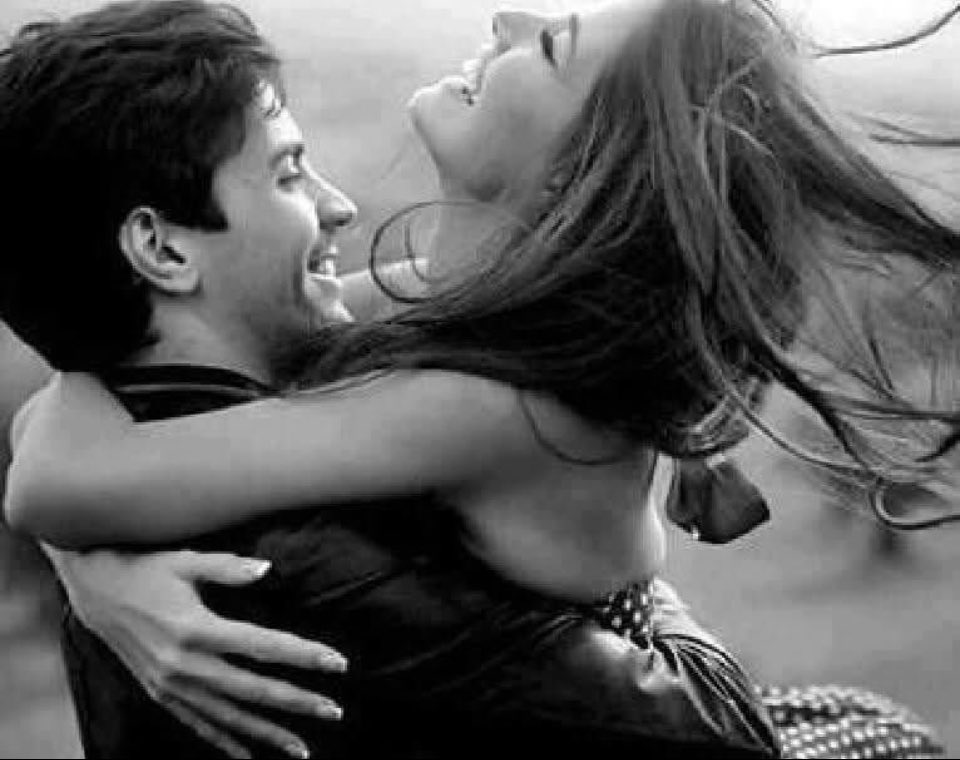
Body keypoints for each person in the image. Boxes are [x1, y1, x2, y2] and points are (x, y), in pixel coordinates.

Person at [3, 0, 956, 757]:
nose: (508, 17)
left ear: (578, 170)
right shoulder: (484, 306)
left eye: (551, 47)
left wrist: (99, 572)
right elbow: (111, 385)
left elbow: (69, 483)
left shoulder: (492, 406)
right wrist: (96, 571)